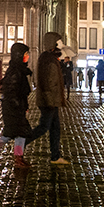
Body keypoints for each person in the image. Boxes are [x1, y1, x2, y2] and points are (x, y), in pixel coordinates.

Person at [0, 42, 36, 168]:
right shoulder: (16, 71)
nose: (27, 57)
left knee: (13, 133)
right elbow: (12, 92)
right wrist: (19, 106)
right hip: (13, 108)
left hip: (14, 107)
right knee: (19, 132)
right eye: (25, 54)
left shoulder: (18, 69)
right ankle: (17, 158)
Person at [29, 32, 70, 166]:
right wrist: (50, 100)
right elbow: (47, 82)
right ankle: (21, 142)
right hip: (49, 100)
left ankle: (55, 156)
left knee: (54, 128)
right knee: (43, 127)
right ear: (53, 43)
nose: (61, 44)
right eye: (59, 41)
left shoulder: (50, 58)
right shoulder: (47, 59)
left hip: (52, 100)